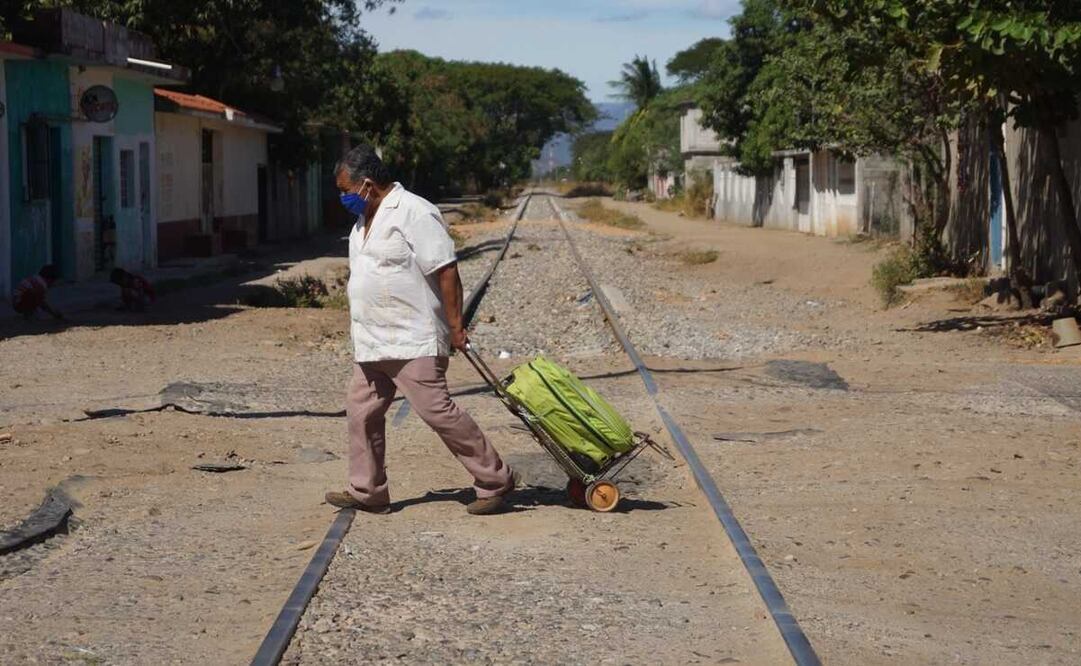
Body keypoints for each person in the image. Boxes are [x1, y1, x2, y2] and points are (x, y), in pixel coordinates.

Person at [323, 144, 517, 516]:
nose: (343, 198)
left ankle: (495, 479)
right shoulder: (363, 220)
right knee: (361, 412)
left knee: (437, 412)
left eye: (346, 190)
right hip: (372, 340)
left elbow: (446, 269)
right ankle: (368, 490)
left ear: (367, 184)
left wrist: (456, 325)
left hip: (412, 337)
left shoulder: (414, 211)